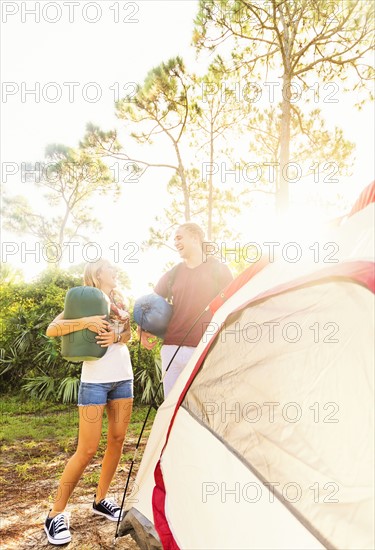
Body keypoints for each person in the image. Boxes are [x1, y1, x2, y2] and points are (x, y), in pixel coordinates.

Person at [44, 259, 133, 546]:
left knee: (117, 441)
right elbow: (52, 329)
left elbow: (128, 335)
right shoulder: (83, 299)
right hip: (94, 381)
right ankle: (55, 513)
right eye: (112, 268)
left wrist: (117, 334)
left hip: (123, 378)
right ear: (97, 274)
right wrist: (86, 322)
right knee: (87, 449)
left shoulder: (119, 299)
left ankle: (101, 499)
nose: (116, 272)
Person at [140, 223, 233, 398]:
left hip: (205, 348)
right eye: (174, 238)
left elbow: (233, 304)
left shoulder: (219, 269)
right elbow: (151, 303)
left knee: (204, 407)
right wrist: (142, 328)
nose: (175, 242)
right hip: (171, 349)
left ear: (195, 238)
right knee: (171, 406)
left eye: (179, 237)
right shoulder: (173, 273)